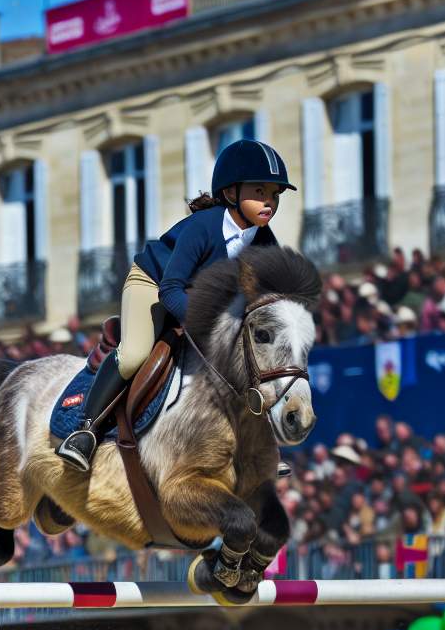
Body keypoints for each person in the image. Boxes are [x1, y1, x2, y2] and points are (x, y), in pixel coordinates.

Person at [57, 139, 295, 470]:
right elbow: (171, 289)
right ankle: (85, 430)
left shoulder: (265, 240)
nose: (269, 202)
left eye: (274, 195)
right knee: (135, 354)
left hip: (198, 298)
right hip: (152, 284)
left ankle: (262, 445)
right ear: (231, 194)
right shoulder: (203, 228)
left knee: (252, 357)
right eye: (260, 192)